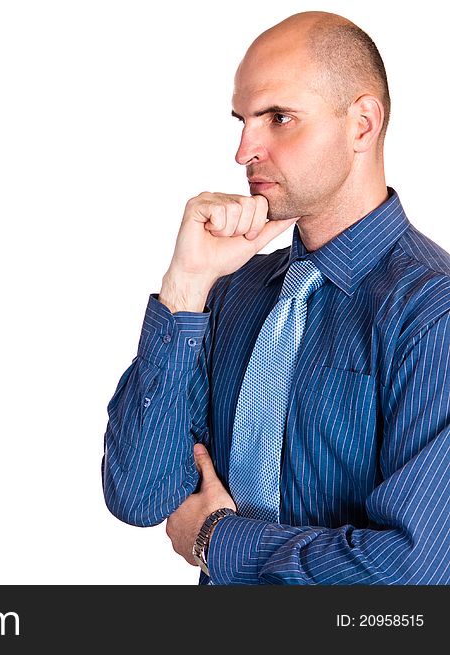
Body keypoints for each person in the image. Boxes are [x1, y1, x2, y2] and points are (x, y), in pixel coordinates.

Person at [101, 11, 450, 584]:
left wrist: (220, 541)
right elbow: (139, 495)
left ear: (362, 124)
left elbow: (417, 575)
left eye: (279, 118)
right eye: (242, 121)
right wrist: (185, 289)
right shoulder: (234, 292)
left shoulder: (432, 312)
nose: (243, 151)